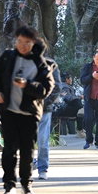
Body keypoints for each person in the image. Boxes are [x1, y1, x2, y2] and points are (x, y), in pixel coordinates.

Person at [0, 25, 54, 194]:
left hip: (29, 115)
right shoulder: (7, 58)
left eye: (27, 42)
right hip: (9, 112)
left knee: (27, 151)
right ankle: (9, 185)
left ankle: (26, 184)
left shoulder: (40, 63)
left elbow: (46, 88)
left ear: (33, 43)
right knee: (9, 149)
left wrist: (27, 86)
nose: (23, 46)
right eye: (20, 41)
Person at [34, 40, 62, 180]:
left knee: (43, 140)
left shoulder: (51, 65)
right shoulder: (23, 64)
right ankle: (30, 163)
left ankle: (42, 168)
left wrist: (46, 101)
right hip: (27, 109)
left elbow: (57, 87)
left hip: (44, 109)